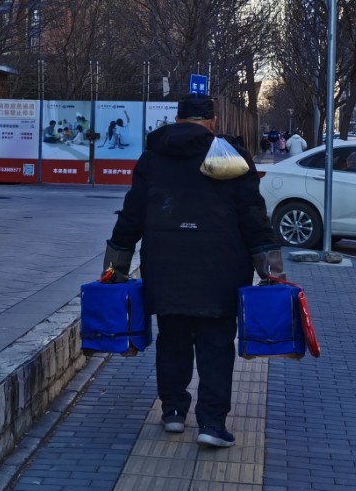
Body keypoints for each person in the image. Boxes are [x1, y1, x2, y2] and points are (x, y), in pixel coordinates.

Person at [103, 95, 282, 447]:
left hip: (165, 266)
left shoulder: (152, 157)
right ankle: (212, 425)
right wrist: (271, 270)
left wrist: (114, 267)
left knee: (172, 338)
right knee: (216, 345)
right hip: (221, 267)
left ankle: (172, 412)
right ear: (213, 121)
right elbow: (253, 217)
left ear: (177, 118)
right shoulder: (231, 157)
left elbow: (131, 216)